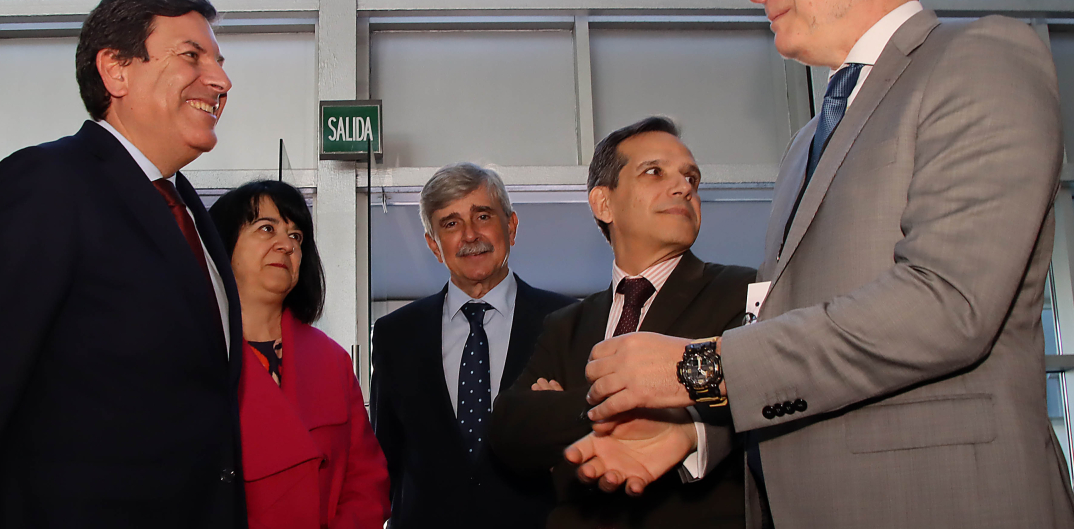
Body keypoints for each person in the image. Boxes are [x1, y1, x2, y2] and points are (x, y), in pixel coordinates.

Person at [568, 0, 1074, 529]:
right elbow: (793, 333)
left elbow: (945, 303)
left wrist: (695, 368)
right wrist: (694, 434)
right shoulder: (810, 138)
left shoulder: (981, 58)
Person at [0, 0, 245, 529]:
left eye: (219, 61)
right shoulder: (47, 184)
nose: (221, 80)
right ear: (116, 70)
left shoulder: (189, 211)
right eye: (192, 55)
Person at [491, 117, 755, 528]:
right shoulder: (566, 323)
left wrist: (561, 407)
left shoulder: (745, 293)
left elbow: (759, 403)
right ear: (603, 203)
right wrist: (626, 401)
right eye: (655, 172)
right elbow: (509, 430)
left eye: (691, 178)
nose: (684, 186)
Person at [370, 162, 574, 529]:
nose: (469, 235)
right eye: (450, 224)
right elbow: (384, 463)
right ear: (434, 245)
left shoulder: (569, 321)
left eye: (482, 216)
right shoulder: (394, 335)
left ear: (511, 226)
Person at [209, 180, 389, 529]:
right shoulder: (192, 356)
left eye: (297, 237)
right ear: (222, 244)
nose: (286, 245)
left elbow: (368, 481)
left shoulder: (332, 361)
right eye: (266, 228)